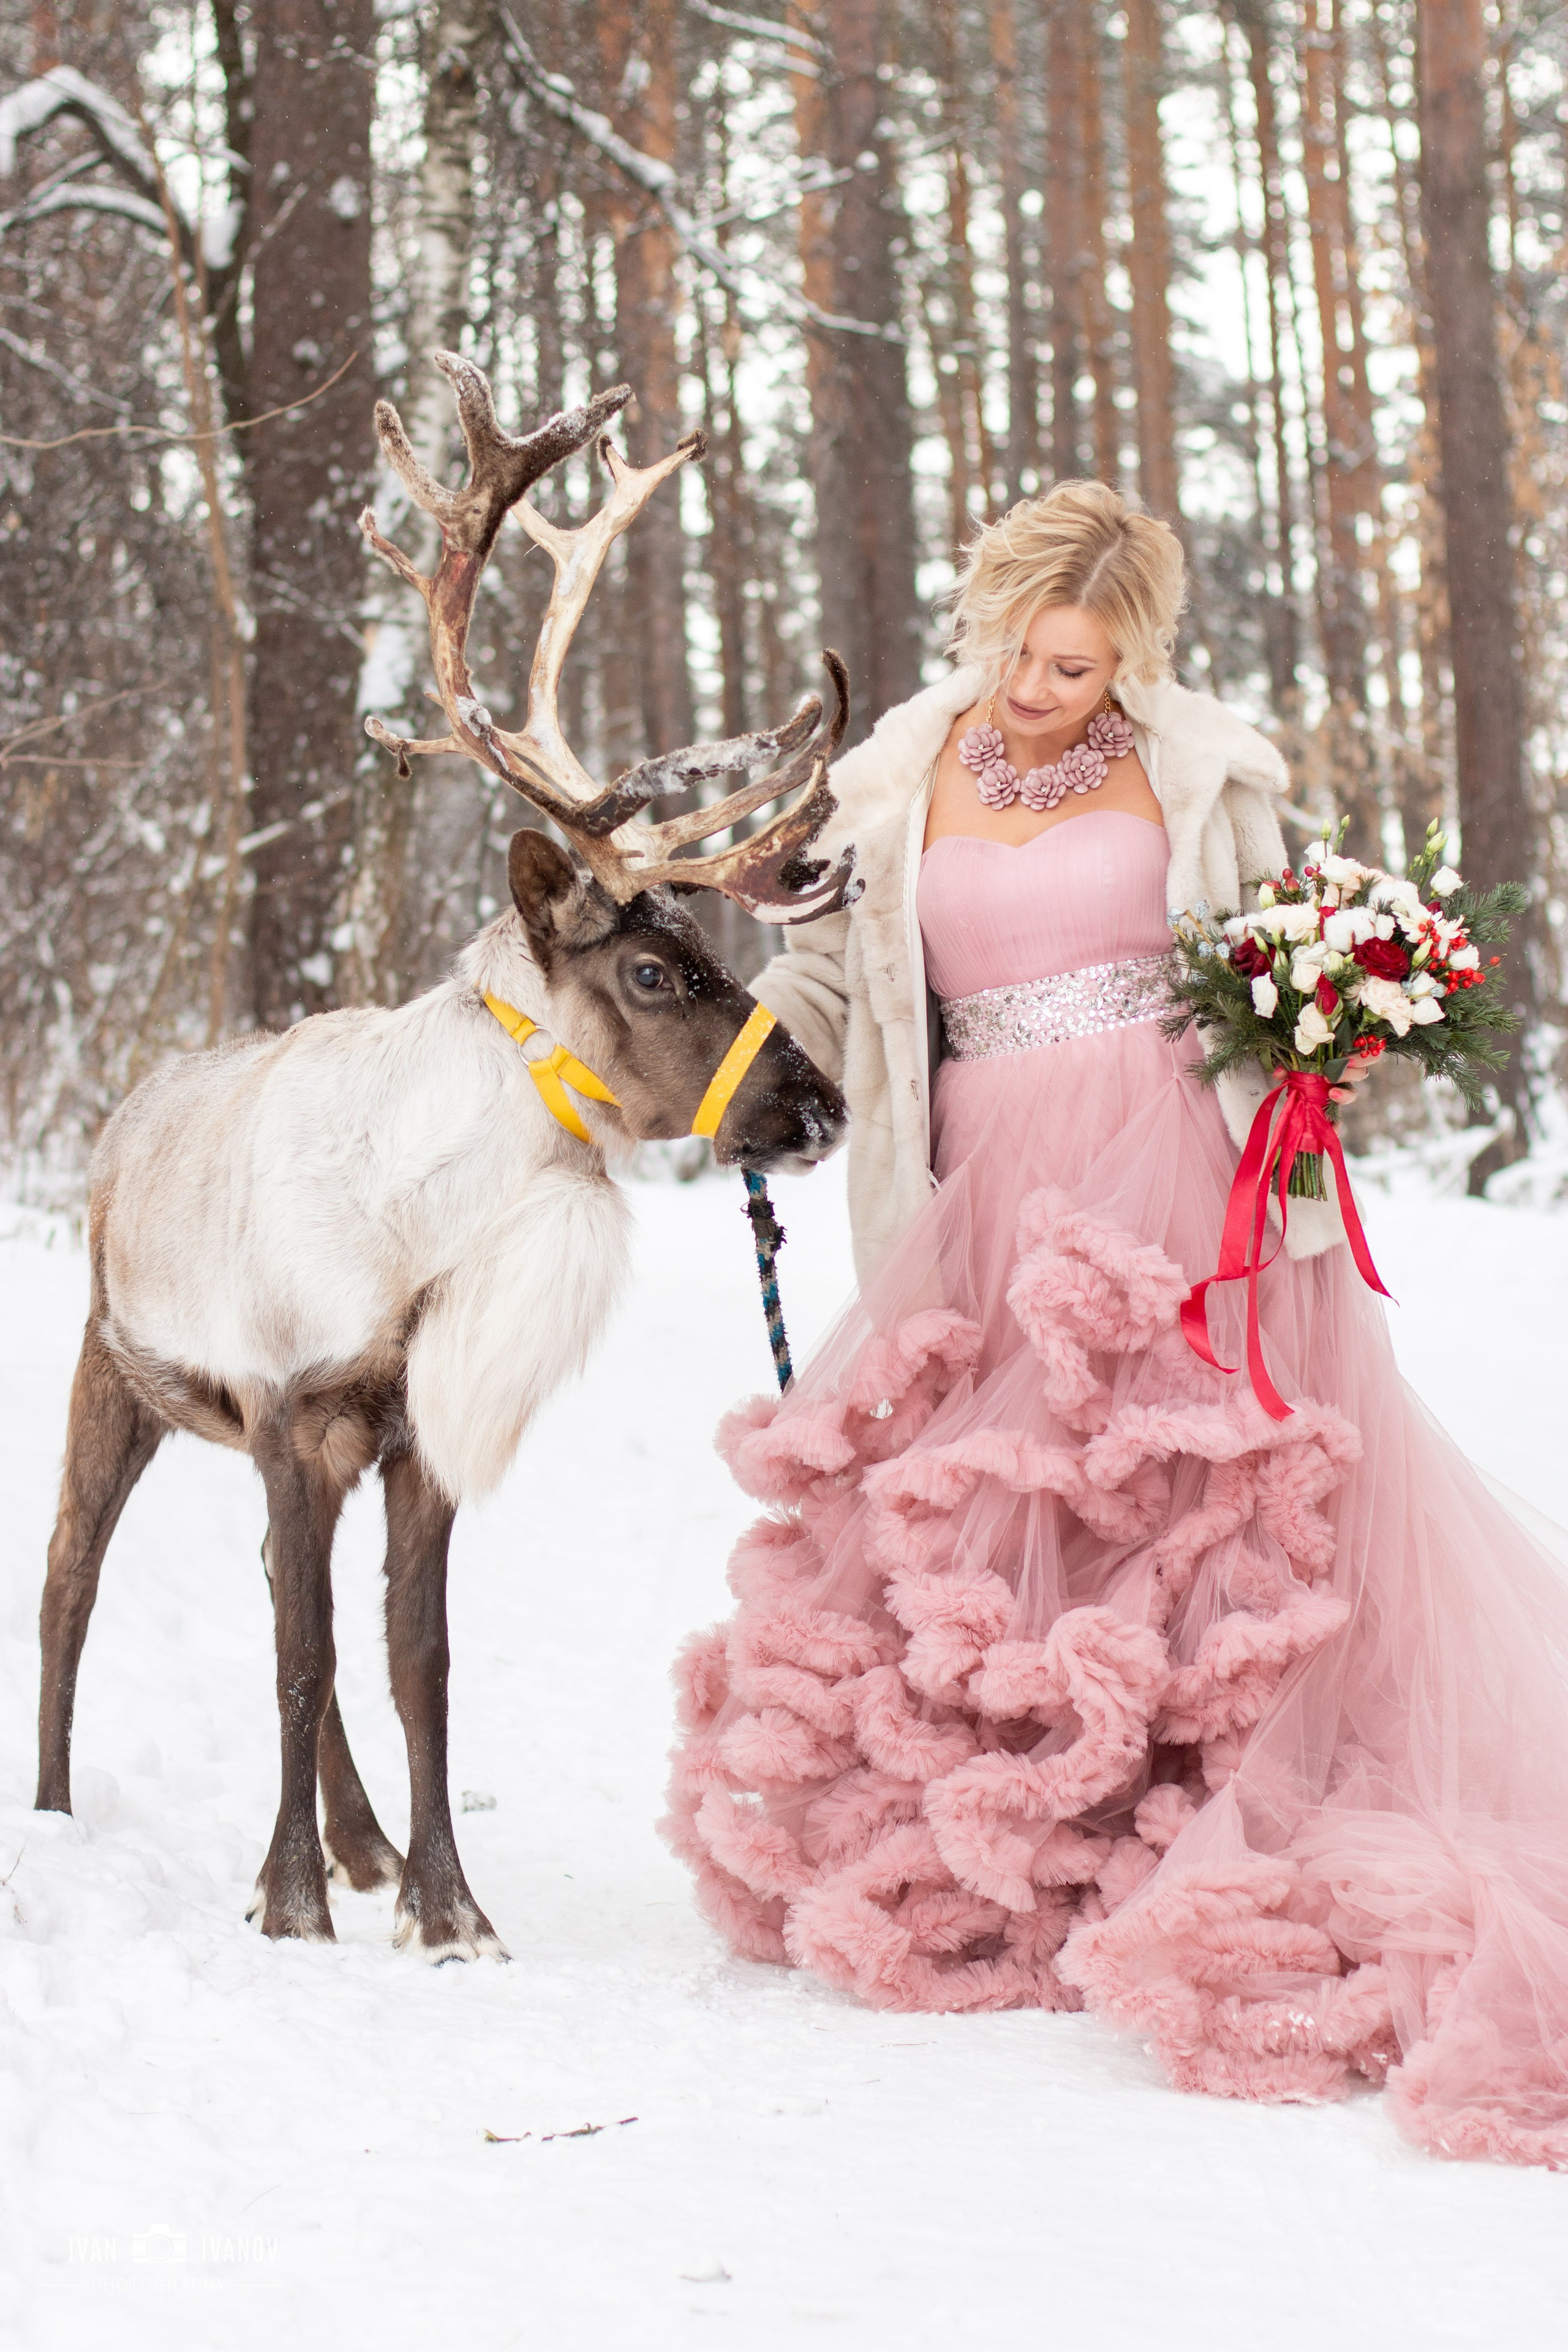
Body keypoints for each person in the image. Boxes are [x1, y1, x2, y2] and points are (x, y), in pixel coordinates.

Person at [665, 481, 1568, 2169]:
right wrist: (740, 1070)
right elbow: (845, 983)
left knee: (1187, 1513)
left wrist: (1336, 1020)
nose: (1036, 687)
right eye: (1017, 650)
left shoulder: (1204, 765)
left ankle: (1195, 1808)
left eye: (1075, 666)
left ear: (1131, 655)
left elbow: (1281, 939)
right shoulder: (887, 787)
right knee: (1007, 1505)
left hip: (1183, 1169)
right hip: (984, 1178)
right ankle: (1052, 1813)